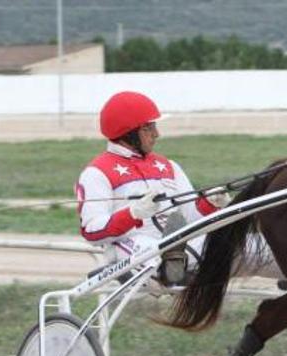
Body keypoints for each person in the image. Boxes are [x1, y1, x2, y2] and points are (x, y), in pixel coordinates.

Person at [75, 91, 231, 286]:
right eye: (149, 128)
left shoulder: (169, 166)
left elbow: (190, 217)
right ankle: (172, 269)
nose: (157, 134)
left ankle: (178, 265)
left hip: (176, 241)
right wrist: (132, 213)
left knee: (231, 242)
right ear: (128, 133)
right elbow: (91, 231)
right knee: (152, 249)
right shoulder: (96, 173)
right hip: (130, 247)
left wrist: (209, 203)